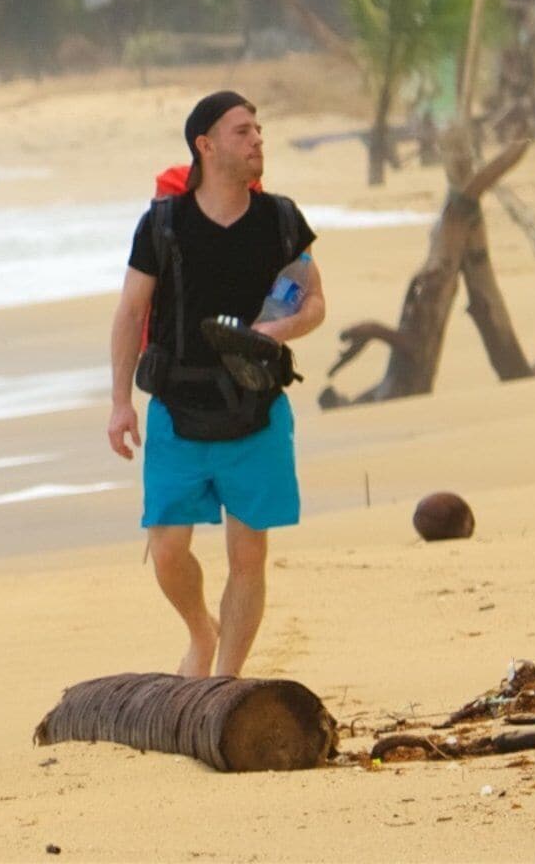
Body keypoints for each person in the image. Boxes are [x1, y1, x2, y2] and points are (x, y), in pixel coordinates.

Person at [105, 90, 325, 679]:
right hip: (177, 408)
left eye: (258, 130)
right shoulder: (163, 224)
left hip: (257, 409)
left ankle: (224, 682)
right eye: (242, 131)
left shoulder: (281, 219)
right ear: (205, 145)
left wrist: (273, 329)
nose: (257, 140)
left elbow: (313, 301)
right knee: (167, 549)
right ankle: (202, 631)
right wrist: (120, 402)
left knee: (248, 556)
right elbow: (130, 312)